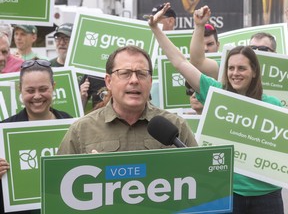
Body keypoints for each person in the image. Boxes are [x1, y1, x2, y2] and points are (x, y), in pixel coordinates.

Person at [148, 3, 284, 213]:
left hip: (267, 196)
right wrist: (156, 30)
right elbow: (180, 62)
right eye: (230, 68)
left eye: (241, 68)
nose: (234, 73)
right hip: (228, 191)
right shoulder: (216, 93)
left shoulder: (274, 105)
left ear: (254, 72)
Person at [57, 45, 198, 155]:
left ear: (150, 81)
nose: (134, 80)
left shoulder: (177, 126)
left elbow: (201, 175)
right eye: (125, 73)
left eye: (141, 74)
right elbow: (58, 185)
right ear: (108, 81)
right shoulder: (81, 131)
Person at [0, 58, 72, 214]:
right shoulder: (3, 131)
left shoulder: (70, 123)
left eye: (43, 89)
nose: (37, 96)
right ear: (21, 90)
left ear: (53, 87)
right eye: (30, 90)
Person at [189, 5, 277, 81]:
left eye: (263, 49)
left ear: (275, 53)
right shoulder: (229, 68)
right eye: (253, 48)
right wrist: (199, 25)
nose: (257, 52)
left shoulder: (283, 73)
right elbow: (197, 62)